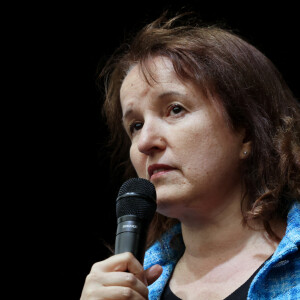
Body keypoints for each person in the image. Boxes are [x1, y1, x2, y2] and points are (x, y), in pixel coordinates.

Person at [80, 12, 300, 300]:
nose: (145, 142)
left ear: (246, 132)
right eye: (135, 126)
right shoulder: (127, 286)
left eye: (175, 109)